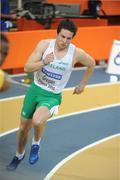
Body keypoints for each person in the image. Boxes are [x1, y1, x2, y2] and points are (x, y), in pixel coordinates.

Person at [7, 19, 95, 171]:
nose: (64, 41)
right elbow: (27, 68)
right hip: (35, 90)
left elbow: (92, 63)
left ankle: (36, 144)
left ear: (72, 38)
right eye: (62, 36)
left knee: (36, 120)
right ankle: (19, 155)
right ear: (57, 34)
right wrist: (43, 63)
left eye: (69, 38)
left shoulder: (76, 53)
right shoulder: (44, 45)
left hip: (52, 96)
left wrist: (83, 84)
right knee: (22, 130)